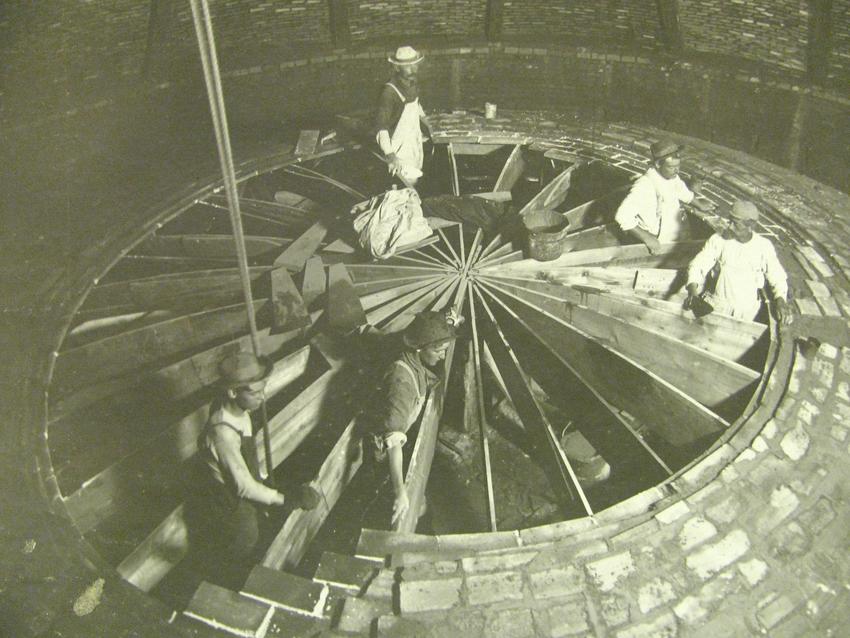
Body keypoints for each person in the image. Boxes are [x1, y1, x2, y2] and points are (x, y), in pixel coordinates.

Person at [191, 351, 318, 578]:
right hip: (231, 505)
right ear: (232, 392)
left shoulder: (242, 411)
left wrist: (267, 481)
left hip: (246, 490)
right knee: (244, 548)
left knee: (260, 533)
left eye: (264, 387)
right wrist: (285, 499)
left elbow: (248, 463)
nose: (263, 396)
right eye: (256, 391)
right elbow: (243, 487)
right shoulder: (222, 433)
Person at [364, 310, 459, 525]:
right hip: (383, 449)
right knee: (399, 501)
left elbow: (434, 328)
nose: (443, 356)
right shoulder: (402, 382)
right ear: (419, 347)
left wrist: (451, 320)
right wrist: (400, 491)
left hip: (397, 432)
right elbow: (393, 442)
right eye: (438, 350)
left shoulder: (415, 353)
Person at [685, 200, 792, 324]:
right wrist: (693, 291)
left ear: (750, 225)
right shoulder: (718, 240)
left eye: (735, 223)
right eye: (729, 221)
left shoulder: (763, 246)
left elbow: (777, 276)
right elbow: (697, 266)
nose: (729, 226)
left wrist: (781, 300)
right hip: (716, 305)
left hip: (747, 311)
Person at [615, 139, 715, 253]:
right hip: (659, 239)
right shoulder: (644, 186)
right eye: (672, 167)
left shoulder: (671, 176)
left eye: (678, 166)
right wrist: (648, 239)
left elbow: (682, 192)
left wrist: (700, 205)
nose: (677, 171)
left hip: (675, 231)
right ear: (658, 164)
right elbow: (622, 216)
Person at [375, 45, 431, 188]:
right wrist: (391, 155)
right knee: (405, 186)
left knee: (416, 180)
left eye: (415, 65)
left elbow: (415, 106)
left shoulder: (412, 82)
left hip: (413, 142)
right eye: (408, 67)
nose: (413, 70)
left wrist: (428, 122)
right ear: (397, 68)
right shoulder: (389, 92)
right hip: (398, 149)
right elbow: (382, 128)